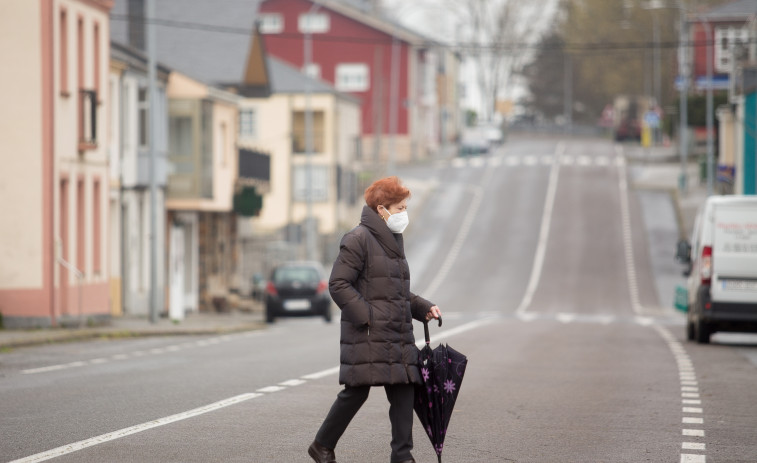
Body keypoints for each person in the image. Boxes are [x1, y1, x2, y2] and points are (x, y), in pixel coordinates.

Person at [308, 177, 442, 463]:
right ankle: (321, 445)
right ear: (382, 210)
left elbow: (396, 291)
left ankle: (402, 457)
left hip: (397, 333)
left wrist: (423, 308)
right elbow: (338, 284)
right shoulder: (358, 239)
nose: (404, 213)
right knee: (356, 392)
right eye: (400, 207)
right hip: (370, 333)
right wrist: (367, 317)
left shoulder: (393, 240)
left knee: (405, 388)